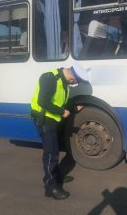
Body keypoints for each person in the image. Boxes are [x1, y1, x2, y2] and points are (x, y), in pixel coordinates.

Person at [31, 64, 89, 200]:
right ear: (72, 79)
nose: (74, 84)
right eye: (76, 82)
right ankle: (50, 186)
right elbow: (43, 101)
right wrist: (62, 112)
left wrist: (74, 107)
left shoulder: (63, 81)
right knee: (51, 153)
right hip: (44, 119)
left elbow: (61, 101)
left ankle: (56, 177)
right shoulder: (50, 78)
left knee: (54, 150)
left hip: (52, 119)